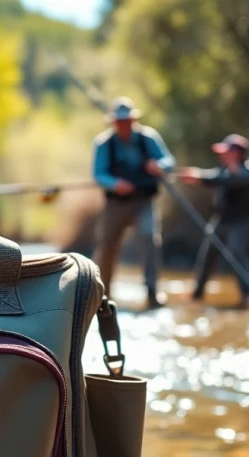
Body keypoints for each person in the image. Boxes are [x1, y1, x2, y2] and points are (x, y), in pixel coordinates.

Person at [92, 97, 176, 309]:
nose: (124, 125)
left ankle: (152, 292)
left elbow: (169, 161)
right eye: (120, 121)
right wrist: (115, 183)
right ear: (113, 123)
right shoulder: (103, 144)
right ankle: (102, 294)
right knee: (107, 245)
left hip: (143, 201)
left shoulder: (149, 138)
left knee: (149, 238)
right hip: (116, 204)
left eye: (127, 120)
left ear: (133, 120)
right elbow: (98, 174)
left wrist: (159, 166)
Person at [179, 134, 249, 308]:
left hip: (240, 222)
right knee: (208, 254)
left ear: (237, 153)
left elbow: (232, 180)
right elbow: (215, 176)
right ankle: (197, 292)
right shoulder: (225, 169)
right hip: (221, 220)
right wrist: (197, 176)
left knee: (237, 252)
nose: (222, 155)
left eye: (226, 152)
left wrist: (202, 177)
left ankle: (247, 295)